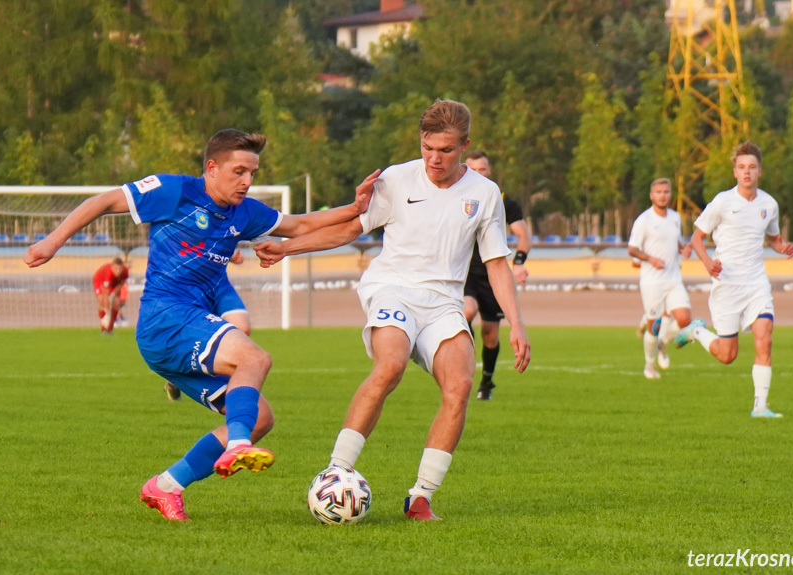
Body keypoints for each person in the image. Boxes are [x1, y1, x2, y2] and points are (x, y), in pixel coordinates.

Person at [24, 128, 373, 521]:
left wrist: (355, 207)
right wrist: (52, 242)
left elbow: (301, 225)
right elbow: (104, 200)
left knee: (259, 418)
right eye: (239, 171)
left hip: (183, 328)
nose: (247, 181)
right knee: (255, 359)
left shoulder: (245, 211)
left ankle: (166, 486)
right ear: (212, 167)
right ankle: (237, 445)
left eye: (253, 173)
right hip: (165, 317)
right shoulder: (175, 192)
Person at [254, 99, 531, 521]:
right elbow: (350, 228)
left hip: (443, 303)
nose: (434, 158)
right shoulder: (396, 179)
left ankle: (420, 497)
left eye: (446, 150)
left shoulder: (485, 193)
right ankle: (336, 472)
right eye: (427, 147)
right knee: (390, 366)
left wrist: (517, 324)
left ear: (465, 145)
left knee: (458, 386)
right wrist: (288, 248)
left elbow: (495, 262)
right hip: (393, 290)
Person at [675, 141, 793, 418]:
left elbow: (774, 239)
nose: (747, 172)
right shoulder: (723, 202)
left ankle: (761, 407)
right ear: (735, 172)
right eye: (742, 167)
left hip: (756, 284)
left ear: (760, 172)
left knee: (764, 340)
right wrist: (707, 262)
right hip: (727, 285)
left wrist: (783, 247)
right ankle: (696, 331)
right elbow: (697, 237)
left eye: (752, 167)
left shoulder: (769, 204)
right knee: (727, 355)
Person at [462, 150, 531, 400]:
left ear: (489, 172)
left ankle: (487, 383)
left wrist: (520, 263)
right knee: (466, 310)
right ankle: (463, 357)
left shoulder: (503, 200)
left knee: (490, 335)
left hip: (494, 272)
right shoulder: (458, 198)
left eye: (483, 170)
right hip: (466, 270)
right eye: (474, 170)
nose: (479, 174)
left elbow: (523, 236)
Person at [627, 178, 695, 379]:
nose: (663, 195)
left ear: (670, 194)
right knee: (654, 326)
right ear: (652, 196)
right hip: (652, 281)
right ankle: (649, 365)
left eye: (666, 192)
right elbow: (632, 249)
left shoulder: (675, 217)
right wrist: (650, 259)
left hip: (674, 279)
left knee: (685, 320)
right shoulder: (644, 220)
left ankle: (663, 343)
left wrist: (684, 249)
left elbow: (677, 243)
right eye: (659, 192)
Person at [163, 248, 248, 402]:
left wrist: (231, 254)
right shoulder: (185, 228)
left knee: (242, 329)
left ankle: (224, 382)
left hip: (220, 285)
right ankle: (180, 374)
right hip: (193, 287)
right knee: (197, 334)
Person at [93, 257, 129, 333]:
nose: (118, 271)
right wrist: (107, 313)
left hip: (114, 284)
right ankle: (103, 327)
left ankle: (110, 328)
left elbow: (121, 284)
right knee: (103, 302)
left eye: (120, 269)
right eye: (115, 269)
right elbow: (105, 294)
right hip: (99, 281)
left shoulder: (125, 272)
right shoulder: (108, 273)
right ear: (112, 267)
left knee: (116, 303)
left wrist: (113, 294)